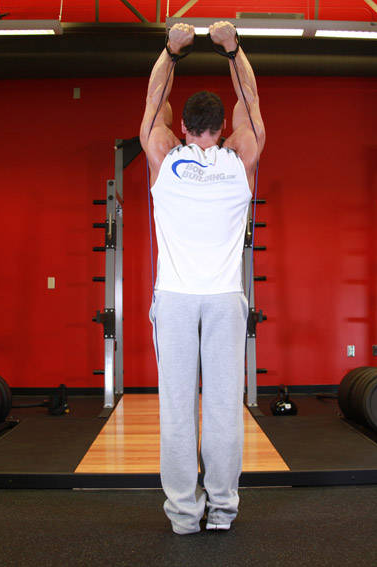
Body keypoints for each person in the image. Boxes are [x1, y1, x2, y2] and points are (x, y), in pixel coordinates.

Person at [138, 20, 266, 535]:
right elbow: (251, 100)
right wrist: (233, 51)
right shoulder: (241, 161)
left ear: (181, 128)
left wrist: (172, 51)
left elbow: (154, 99)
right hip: (223, 299)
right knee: (221, 408)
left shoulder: (163, 156)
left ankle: (184, 517)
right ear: (224, 129)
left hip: (174, 299)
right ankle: (223, 511)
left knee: (176, 409)